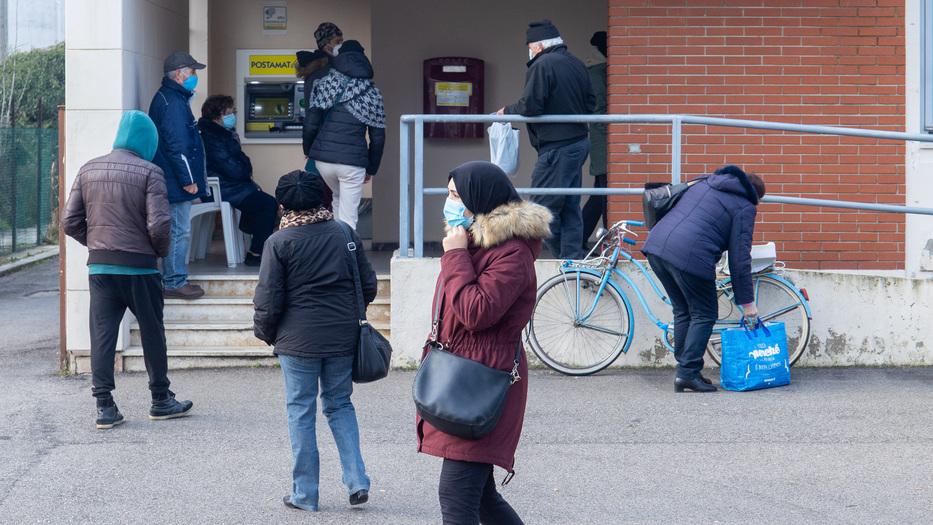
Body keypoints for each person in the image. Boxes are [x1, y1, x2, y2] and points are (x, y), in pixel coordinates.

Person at [418, 161, 552, 525]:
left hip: (483, 382)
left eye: (455, 196)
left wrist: (456, 256)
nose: (448, 204)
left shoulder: (512, 254)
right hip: (464, 376)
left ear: (480, 200)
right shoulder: (475, 242)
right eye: (448, 194)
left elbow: (475, 313)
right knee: (482, 498)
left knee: (457, 496)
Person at [62, 111, 194, 429]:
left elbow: (69, 222)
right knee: (152, 332)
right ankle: (161, 399)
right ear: (148, 141)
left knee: (103, 336)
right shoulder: (151, 172)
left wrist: (97, 244)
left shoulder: (88, 169)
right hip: (140, 269)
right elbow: (161, 225)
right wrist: (155, 254)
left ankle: (105, 407)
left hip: (101, 268)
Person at [253, 170, 376, 512]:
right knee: (339, 405)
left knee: (301, 411)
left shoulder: (279, 243)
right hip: (341, 336)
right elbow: (368, 285)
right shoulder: (344, 232)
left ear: (282, 205)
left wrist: (266, 333)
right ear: (323, 199)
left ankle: (305, 494)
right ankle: (357, 481)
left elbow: (268, 298)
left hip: (297, 342)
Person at [641, 165, 766, 393]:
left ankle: (688, 369)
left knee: (683, 310)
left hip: (657, 246)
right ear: (754, 194)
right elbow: (740, 258)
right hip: (688, 256)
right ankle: (687, 373)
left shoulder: (705, 182)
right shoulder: (745, 206)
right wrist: (748, 305)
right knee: (705, 313)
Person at [498, 19, 595, 260]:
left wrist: (506, 111)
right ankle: (572, 258)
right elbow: (591, 104)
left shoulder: (542, 65)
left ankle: (560, 259)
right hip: (579, 141)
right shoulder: (577, 63)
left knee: (541, 207)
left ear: (538, 46)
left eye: (530, 47)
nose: (529, 51)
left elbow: (531, 106)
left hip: (557, 147)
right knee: (570, 205)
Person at [303, 40, 386, 230]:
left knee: (337, 199)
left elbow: (311, 123)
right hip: (352, 162)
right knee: (349, 218)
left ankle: (336, 251)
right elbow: (378, 137)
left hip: (323, 160)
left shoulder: (324, 84)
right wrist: (371, 168)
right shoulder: (372, 93)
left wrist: (308, 150)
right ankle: (347, 255)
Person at [148, 51, 208, 299]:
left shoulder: (173, 98)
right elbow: (177, 146)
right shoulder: (172, 103)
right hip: (174, 180)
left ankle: (175, 277)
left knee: (177, 229)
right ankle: (173, 281)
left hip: (171, 177)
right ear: (181, 74)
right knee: (178, 230)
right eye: (192, 72)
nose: (195, 76)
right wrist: (188, 180)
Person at [198, 95, 278, 266]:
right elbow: (234, 168)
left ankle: (252, 241)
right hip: (224, 189)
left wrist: (244, 169)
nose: (232, 115)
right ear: (217, 115)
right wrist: (245, 169)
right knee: (268, 204)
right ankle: (256, 254)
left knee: (260, 200)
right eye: (229, 112)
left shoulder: (222, 134)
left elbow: (239, 164)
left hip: (230, 187)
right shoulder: (212, 137)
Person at [581, 31, 609, 249]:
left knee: (600, 193)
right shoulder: (599, 73)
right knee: (604, 193)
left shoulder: (596, 70)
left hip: (601, 139)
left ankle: (582, 237)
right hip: (603, 140)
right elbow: (600, 108)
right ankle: (608, 240)